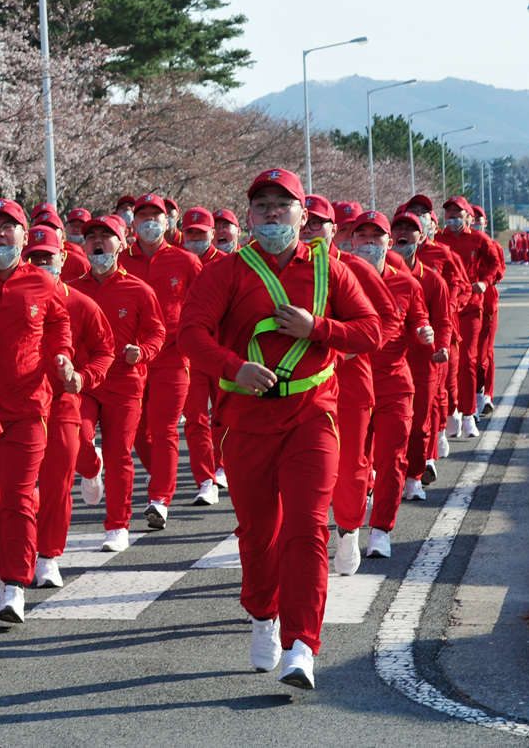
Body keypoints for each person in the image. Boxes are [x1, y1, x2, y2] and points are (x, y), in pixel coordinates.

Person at [179, 168, 380, 690]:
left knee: (308, 526)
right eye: (262, 204)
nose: (272, 213)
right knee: (258, 532)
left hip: (313, 413)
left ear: (303, 215)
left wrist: (319, 329)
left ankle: (301, 646)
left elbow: (370, 331)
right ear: (248, 216)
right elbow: (190, 334)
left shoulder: (329, 269)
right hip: (246, 421)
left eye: (282, 204)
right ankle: (263, 614)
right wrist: (231, 367)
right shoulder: (225, 272)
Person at [0, 199, 73, 622]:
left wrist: (63, 356)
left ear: (24, 236)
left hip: (29, 408)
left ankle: (15, 584)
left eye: (7, 227)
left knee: (17, 497)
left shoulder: (42, 283)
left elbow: (60, 324)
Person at [298, 195, 396, 578]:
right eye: (306, 224)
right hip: (302, 387)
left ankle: (349, 529)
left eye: (318, 225)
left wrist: (356, 347)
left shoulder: (354, 268)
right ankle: (307, 541)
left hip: (351, 382)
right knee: (305, 466)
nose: (309, 232)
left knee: (352, 466)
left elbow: (386, 319)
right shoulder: (279, 273)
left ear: (334, 230)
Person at [24, 226, 114, 589]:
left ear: (63, 258)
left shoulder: (81, 303)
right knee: (18, 486)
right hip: (17, 404)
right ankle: (17, 552)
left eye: (49, 257)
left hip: (63, 401)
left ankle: (48, 556)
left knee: (57, 481)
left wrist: (84, 377)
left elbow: (104, 350)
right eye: (35, 258)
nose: (42, 264)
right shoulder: (9, 297)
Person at [69, 214, 165, 552]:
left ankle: (117, 526)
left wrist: (141, 353)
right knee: (76, 441)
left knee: (119, 453)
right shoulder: (72, 289)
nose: (97, 242)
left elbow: (157, 333)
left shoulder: (138, 289)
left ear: (122, 243)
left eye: (105, 236)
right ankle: (90, 467)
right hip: (83, 381)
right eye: (91, 236)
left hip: (125, 381)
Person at [349, 211, 432, 563]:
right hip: (352, 383)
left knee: (392, 458)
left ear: (387, 241)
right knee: (352, 462)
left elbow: (420, 318)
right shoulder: (339, 278)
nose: (369, 243)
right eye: (362, 236)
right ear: (351, 241)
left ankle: (381, 529)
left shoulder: (406, 284)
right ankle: (348, 524)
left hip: (395, 383)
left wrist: (424, 331)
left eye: (376, 236)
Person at [118, 194, 203, 526]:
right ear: (133, 223)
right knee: (138, 431)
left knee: (165, 427)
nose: (150, 222)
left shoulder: (185, 261)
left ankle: (159, 499)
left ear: (168, 223)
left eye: (157, 216)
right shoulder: (120, 260)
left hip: (172, 356)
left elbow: (201, 307)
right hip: (130, 359)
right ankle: (162, 477)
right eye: (143, 216)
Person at [388, 212, 453, 499]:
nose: (403, 233)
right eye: (398, 227)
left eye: (410, 229)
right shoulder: (377, 275)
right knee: (387, 423)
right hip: (386, 360)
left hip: (423, 360)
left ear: (422, 237)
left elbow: (443, 321)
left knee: (419, 421)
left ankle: (414, 476)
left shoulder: (433, 281)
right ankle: (384, 476)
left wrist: (442, 346)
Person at [435, 196, 498, 438]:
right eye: (449, 214)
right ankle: (452, 413)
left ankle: (469, 412)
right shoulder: (438, 240)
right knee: (447, 364)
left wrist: (484, 282)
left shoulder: (479, 239)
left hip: (471, 306)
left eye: (457, 215)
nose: (452, 219)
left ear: (467, 217)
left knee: (468, 360)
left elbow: (495, 264)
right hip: (446, 309)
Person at [178, 207, 229, 500]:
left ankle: (224, 466)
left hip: (223, 353)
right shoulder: (177, 262)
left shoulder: (229, 264)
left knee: (223, 414)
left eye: (201, 233)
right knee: (195, 417)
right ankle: (205, 480)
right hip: (191, 355)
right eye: (190, 233)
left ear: (213, 234)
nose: (196, 238)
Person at [471, 206, 504, 417]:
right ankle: (470, 396)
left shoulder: (493, 246)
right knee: (469, 354)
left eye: (477, 219)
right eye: (470, 219)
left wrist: (484, 278)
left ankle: (485, 395)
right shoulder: (461, 244)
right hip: (466, 305)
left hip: (487, 303)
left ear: (485, 222)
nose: (474, 223)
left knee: (486, 353)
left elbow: (499, 271)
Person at [62, 208, 91, 279]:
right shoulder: (59, 250)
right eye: (73, 225)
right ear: (66, 227)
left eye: (80, 226)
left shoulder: (95, 252)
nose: (76, 229)